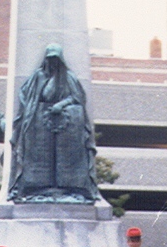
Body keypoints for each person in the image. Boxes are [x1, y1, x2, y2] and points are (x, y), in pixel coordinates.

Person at [8, 42, 99, 203]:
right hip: (38, 122)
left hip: (66, 123)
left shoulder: (68, 77)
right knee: (37, 157)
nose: (52, 63)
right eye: (50, 59)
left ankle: (71, 188)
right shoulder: (38, 76)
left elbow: (78, 97)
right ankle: (33, 189)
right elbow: (26, 95)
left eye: (56, 59)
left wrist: (61, 105)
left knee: (68, 158)